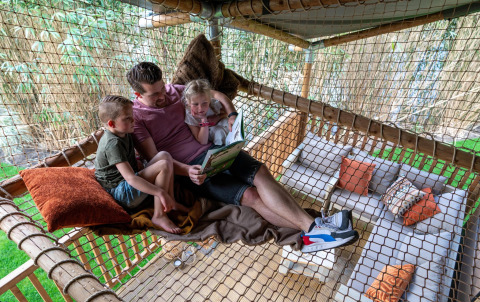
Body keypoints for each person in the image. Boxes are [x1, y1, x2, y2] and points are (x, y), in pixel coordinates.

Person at [127, 62, 358, 252]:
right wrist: (187, 171)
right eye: (155, 94)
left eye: (162, 88)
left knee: (261, 172)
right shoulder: (137, 119)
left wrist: (231, 113)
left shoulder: (174, 91)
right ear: (138, 94)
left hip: (217, 150)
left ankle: (315, 228)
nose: (163, 96)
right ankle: (315, 230)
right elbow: (157, 159)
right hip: (194, 170)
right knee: (251, 196)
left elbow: (215, 94)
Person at [94, 95, 186, 234]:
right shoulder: (113, 143)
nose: (133, 120)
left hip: (129, 183)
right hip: (120, 193)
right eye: (127, 118)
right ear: (111, 124)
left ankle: (170, 201)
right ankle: (159, 215)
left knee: (164, 156)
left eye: (132, 115)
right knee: (163, 166)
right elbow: (130, 178)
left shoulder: (124, 132)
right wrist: (159, 192)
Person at [183, 79, 235, 146]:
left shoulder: (214, 104)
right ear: (188, 103)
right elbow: (203, 141)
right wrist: (204, 119)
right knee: (219, 132)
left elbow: (225, 114)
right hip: (213, 134)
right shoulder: (189, 114)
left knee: (228, 123)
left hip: (224, 127)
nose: (200, 108)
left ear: (209, 100)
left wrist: (218, 118)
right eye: (195, 104)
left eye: (204, 103)